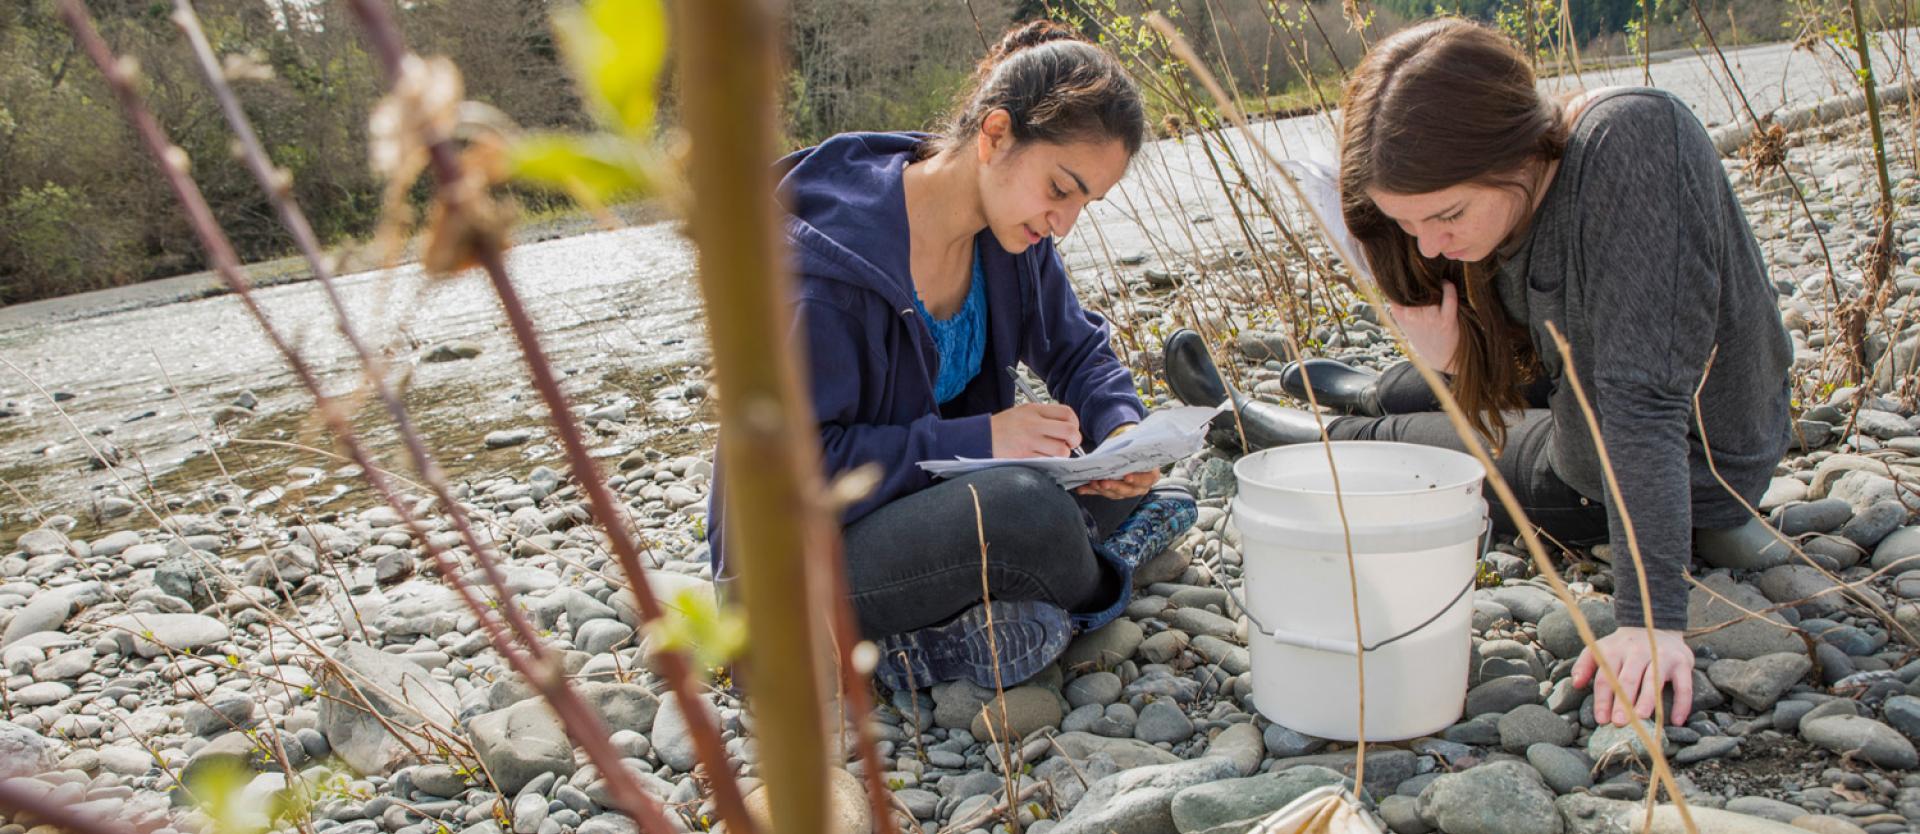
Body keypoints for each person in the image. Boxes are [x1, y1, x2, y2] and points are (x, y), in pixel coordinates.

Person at [1163, 18, 1791, 727]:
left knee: (1415, 443)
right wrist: (1455, 358)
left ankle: (1275, 427)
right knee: (1431, 375)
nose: (1432, 243)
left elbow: (1641, 404)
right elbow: (1554, 350)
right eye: (1410, 226)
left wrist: (1650, 621)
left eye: (1446, 215)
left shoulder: (1633, 144)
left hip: (1675, 462)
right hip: (1589, 393)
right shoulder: (1525, 186)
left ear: (1515, 143)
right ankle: (1371, 389)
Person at [707, 21, 1197, 691]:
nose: (1065, 223)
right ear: (995, 135)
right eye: (1060, 189)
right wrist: (983, 437)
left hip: (917, 514)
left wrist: (1121, 432)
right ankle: (1094, 575)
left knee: (1068, 487)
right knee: (1028, 512)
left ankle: (1039, 585)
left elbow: (1079, 350)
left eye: (1086, 203)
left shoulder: (1009, 237)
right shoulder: (824, 273)